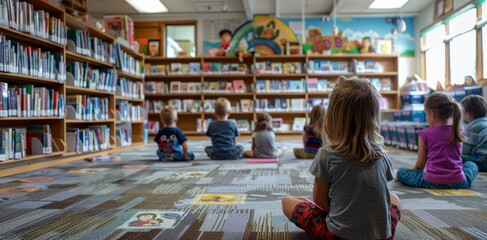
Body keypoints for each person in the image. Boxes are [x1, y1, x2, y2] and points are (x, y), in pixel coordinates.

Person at [282, 77, 401, 239]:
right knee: (395, 198)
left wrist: (341, 213)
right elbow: (381, 196)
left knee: (287, 201)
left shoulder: (327, 154)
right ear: (374, 116)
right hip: (382, 236)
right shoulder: (382, 154)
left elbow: (319, 199)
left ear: (332, 117)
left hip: (338, 236)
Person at [396, 92, 479, 188]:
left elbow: (419, 166)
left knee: (401, 172)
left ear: (432, 113)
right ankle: (463, 179)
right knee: (472, 165)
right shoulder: (458, 131)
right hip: (459, 182)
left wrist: (409, 174)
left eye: (425, 113)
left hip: (431, 182)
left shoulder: (425, 134)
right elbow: (457, 159)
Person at [461, 95, 487, 171]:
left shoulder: (473, 128)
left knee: (455, 157)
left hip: (483, 162)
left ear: (468, 115)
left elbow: (464, 151)